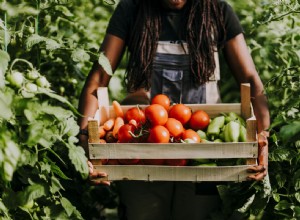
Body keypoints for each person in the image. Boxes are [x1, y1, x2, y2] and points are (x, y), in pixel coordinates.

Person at [78, 0, 270, 219]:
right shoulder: (132, 9)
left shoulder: (217, 11)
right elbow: (98, 78)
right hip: (143, 151)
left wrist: (263, 138)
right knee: (143, 213)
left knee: (198, 214)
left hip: (205, 152)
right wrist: (85, 138)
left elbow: (249, 77)